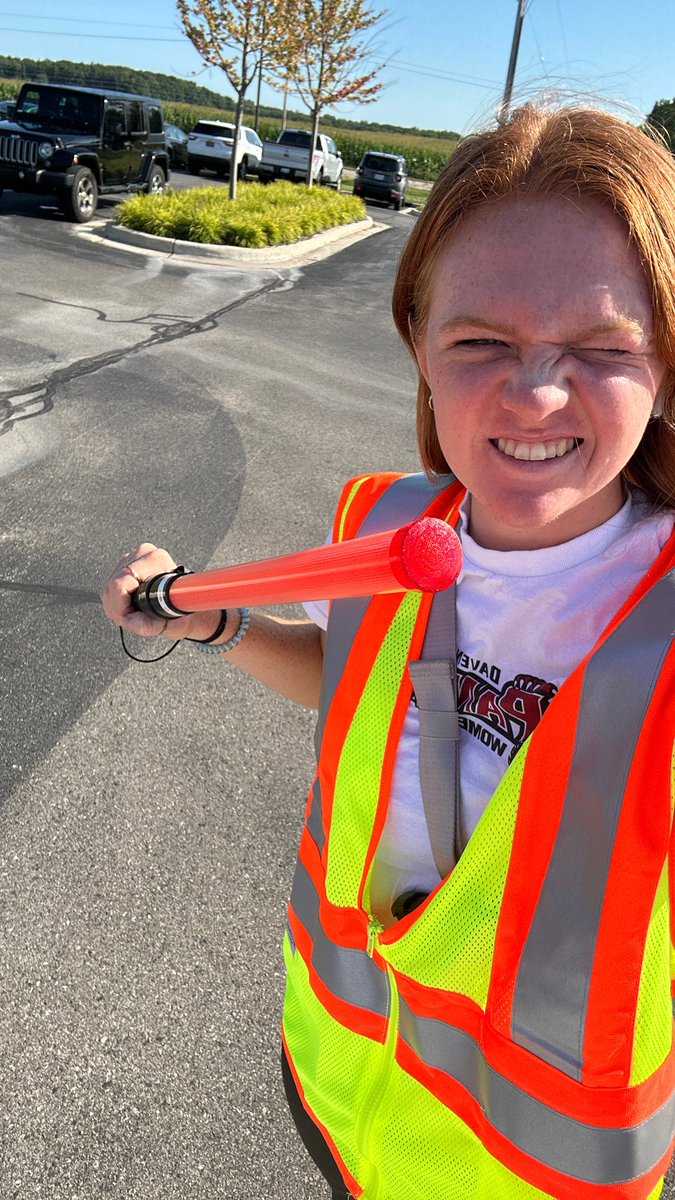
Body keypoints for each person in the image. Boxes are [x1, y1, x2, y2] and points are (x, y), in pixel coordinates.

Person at [102, 100, 675, 1200]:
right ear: (419, 338)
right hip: (342, 1090)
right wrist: (216, 622)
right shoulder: (381, 531)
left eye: (604, 347)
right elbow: (359, 694)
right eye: (481, 340)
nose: (538, 391)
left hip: (528, 1174)